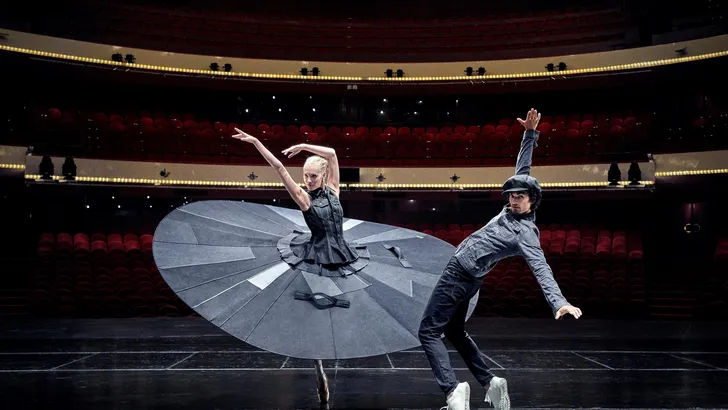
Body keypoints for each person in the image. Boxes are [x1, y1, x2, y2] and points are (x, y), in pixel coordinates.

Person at [418, 109, 583, 410]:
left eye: (520, 196)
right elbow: (524, 166)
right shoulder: (511, 209)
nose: (513, 199)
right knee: (454, 330)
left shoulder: (526, 233)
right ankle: (491, 383)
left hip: (459, 275)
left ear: (533, 199)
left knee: (428, 331)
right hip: (470, 279)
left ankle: (453, 391)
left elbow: (541, 267)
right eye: (511, 195)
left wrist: (558, 302)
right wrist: (530, 134)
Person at [231, 128, 359, 270]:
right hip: (318, 258)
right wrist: (256, 142)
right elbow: (280, 168)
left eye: (313, 176)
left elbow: (332, 154)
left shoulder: (334, 189)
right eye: (306, 175)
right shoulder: (304, 198)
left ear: (323, 174)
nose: (308, 181)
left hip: (344, 252)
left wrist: (304, 146)